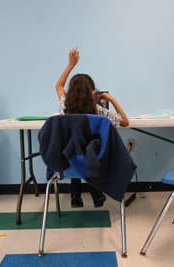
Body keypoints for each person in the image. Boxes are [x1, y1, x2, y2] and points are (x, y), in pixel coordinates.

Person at [55, 47, 129, 208]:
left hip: (67, 164)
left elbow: (59, 85)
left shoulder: (64, 106)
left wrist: (70, 65)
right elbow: (125, 122)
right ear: (92, 92)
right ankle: (96, 193)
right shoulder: (100, 111)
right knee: (89, 150)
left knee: (74, 148)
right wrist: (110, 98)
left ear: (71, 92)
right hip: (93, 162)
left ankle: (75, 196)